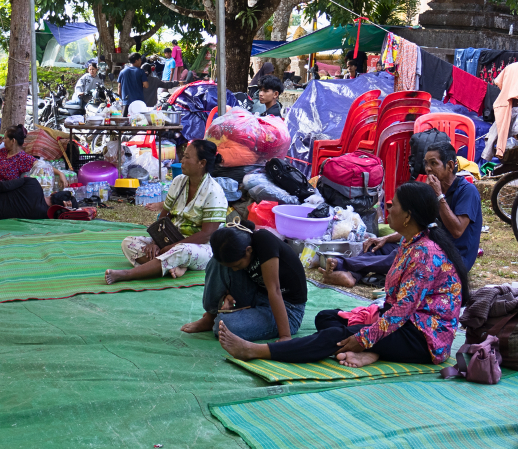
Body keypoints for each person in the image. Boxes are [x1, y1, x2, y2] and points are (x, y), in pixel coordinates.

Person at [219, 181, 467, 367]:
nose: (388, 208)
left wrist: (365, 338)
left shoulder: (425, 253)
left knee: (336, 336)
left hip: (424, 337)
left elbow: (401, 312)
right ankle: (376, 352)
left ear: (409, 216)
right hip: (403, 324)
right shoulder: (410, 241)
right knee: (327, 318)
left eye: (394, 205)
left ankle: (258, 351)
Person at [322, 140, 483, 286]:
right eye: (426, 163)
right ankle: (352, 275)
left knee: (403, 254)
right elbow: (419, 227)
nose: (428, 169)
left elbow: (457, 231)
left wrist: (439, 196)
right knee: (379, 248)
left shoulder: (467, 191)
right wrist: (385, 238)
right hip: (431, 247)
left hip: (454, 259)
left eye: (434, 163)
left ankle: (344, 264)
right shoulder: (434, 190)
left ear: (449, 165)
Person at [106, 139, 227, 284]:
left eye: (187, 157)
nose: (182, 160)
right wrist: (158, 242)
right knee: (129, 243)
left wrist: (171, 247)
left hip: (202, 248)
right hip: (171, 241)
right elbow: (164, 216)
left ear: (202, 163)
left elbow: (207, 234)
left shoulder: (213, 191)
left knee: (182, 251)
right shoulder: (178, 182)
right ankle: (174, 265)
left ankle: (128, 274)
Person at [180, 223, 307, 342]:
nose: (234, 270)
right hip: (258, 294)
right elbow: (229, 273)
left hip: (288, 310)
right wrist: (226, 295)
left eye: (237, 265)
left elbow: (274, 290)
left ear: (248, 250)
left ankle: (227, 319)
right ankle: (210, 317)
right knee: (217, 262)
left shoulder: (265, 242)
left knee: (223, 327)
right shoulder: (240, 244)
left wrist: (285, 337)